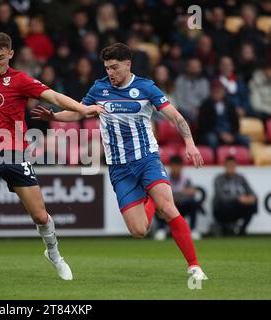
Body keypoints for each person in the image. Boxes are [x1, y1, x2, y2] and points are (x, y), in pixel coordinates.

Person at [32, 42, 208, 281]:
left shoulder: (146, 87)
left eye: (114, 67)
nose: (110, 73)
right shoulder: (99, 88)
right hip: (119, 168)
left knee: (168, 207)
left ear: (128, 64)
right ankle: (150, 198)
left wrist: (189, 143)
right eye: (107, 68)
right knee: (139, 231)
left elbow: (175, 117)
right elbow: (79, 111)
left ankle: (194, 266)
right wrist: (54, 116)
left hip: (147, 159)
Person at [0, 32, 104, 280]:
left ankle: (54, 254)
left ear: (10, 55)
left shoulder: (20, 80)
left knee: (40, 216)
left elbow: (55, 97)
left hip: (15, 154)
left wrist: (83, 109)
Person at [154, 155, 202, 241]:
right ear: (171, 166)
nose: (176, 169)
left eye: (178, 166)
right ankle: (161, 229)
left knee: (193, 203)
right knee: (157, 203)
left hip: (181, 206)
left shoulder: (186, 179)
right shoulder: (165, 177)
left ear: (181, 167)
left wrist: (185, 193)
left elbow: (191, 192)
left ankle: (193, 229)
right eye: (174, 166)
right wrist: (181, 193)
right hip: (169, 207)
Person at [197, 80, 249, 151]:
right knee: (212, 139)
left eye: (220, 91)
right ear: (211, 92)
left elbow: (236, 123)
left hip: (229, 133)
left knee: (245, 139)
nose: (218, 94)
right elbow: (204, 126)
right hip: (214, 133)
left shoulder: (230, 105)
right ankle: (215, 160)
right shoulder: (205, 105)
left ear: (224, 92)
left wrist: (232, 134)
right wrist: (220, 134)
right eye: (216, 91)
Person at [213, 156, 257, 236]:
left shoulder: (241, 178)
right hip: (222, 208)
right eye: (228, 165)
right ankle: (225, 227)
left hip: (237, 207)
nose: (231, 167)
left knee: (253, 204)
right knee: (224, 204)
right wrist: (238, 198)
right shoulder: (219, 178)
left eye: (232, 165)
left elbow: (252, 193)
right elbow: (221, 197)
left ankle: (242, 230)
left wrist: (251, 198)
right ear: (225, 166)